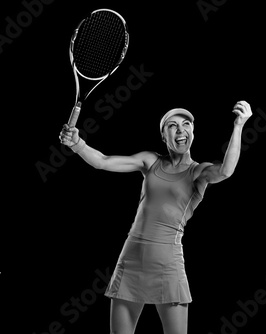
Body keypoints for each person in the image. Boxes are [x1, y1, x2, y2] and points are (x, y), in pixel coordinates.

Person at [59, 101, 252, 334]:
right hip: (130, 260)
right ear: (163, 136)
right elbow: (102, 162)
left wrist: (239, 126)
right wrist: (77, 144)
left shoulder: (199, 172)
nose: (180, 130)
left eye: (186, 124)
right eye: (172, 125)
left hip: (167, 265)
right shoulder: (150, 160)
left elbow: (226, 170)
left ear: (193, 131)